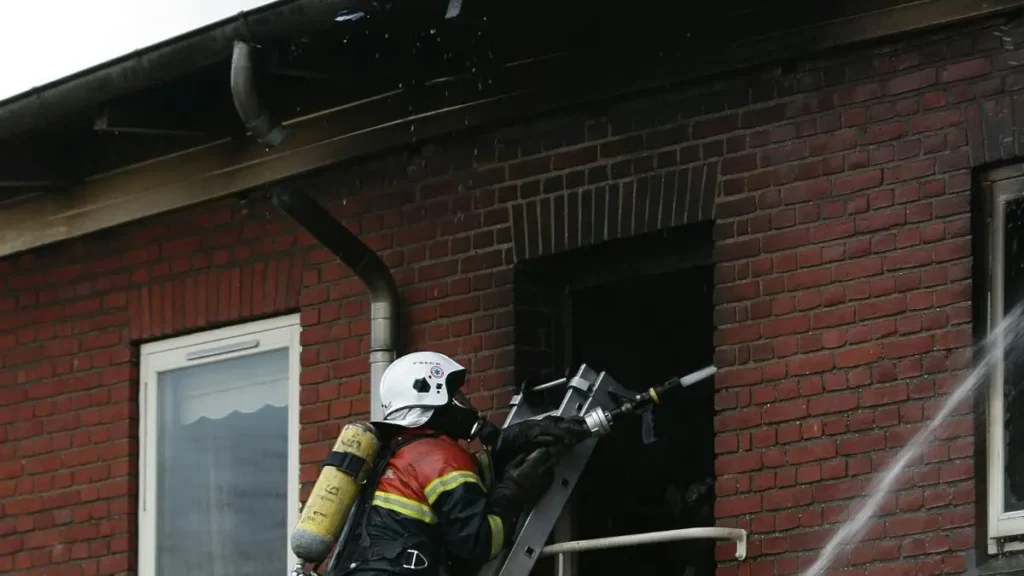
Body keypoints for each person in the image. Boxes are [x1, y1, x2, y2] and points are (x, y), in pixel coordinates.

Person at [334, 351, 590, 576]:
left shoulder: (396, 452)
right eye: (456, 395)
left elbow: (469, 482)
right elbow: (478, 544)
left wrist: (517, 436)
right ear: (434, 397)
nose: (467, 405)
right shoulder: (442, 456)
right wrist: (514, 493)